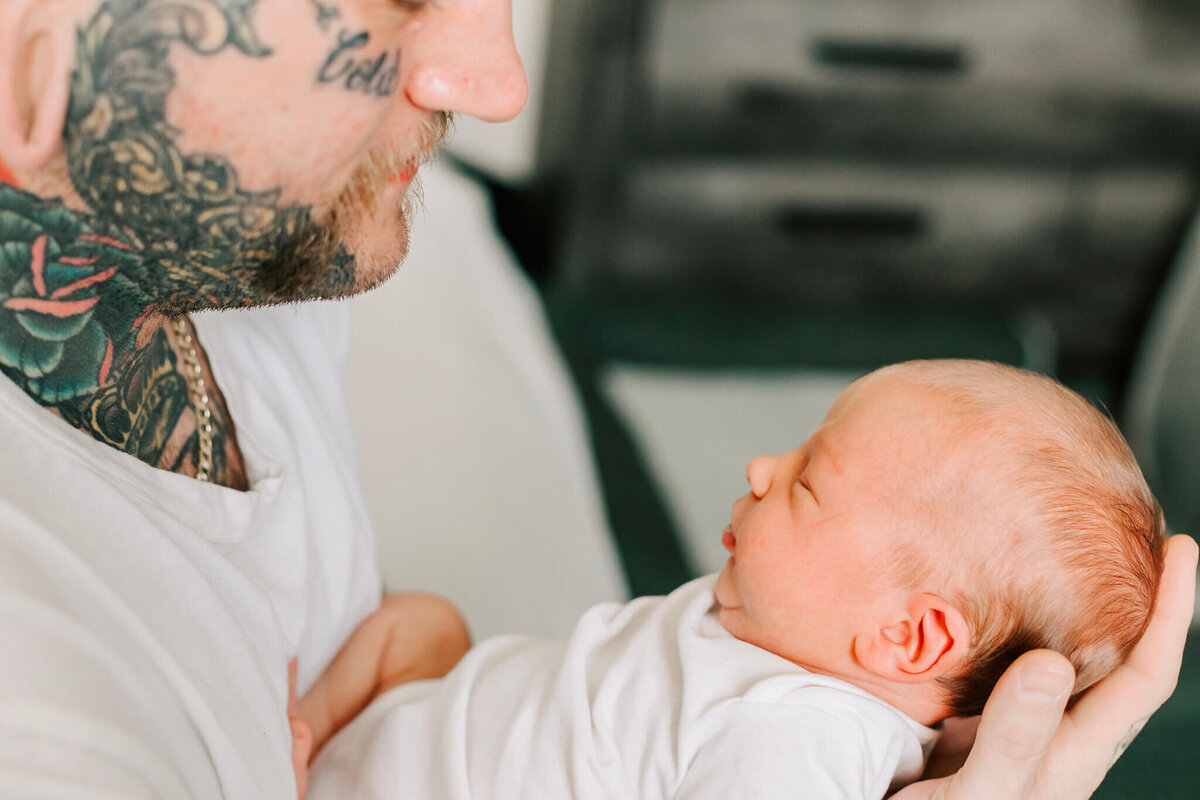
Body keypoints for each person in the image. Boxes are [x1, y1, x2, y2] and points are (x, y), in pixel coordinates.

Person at [0, 1, 1192, 798]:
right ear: (24, 64)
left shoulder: (258, 248)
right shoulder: (52, 718)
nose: (500, 80)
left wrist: (437, 669)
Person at [292, 360, 1166, 799]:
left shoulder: (794, 743)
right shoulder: (776, 649)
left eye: (807, 482)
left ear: (909, 637)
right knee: (425, 622)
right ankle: (306, 738)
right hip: (435, 727)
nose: (758, 467)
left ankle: (291, 762)